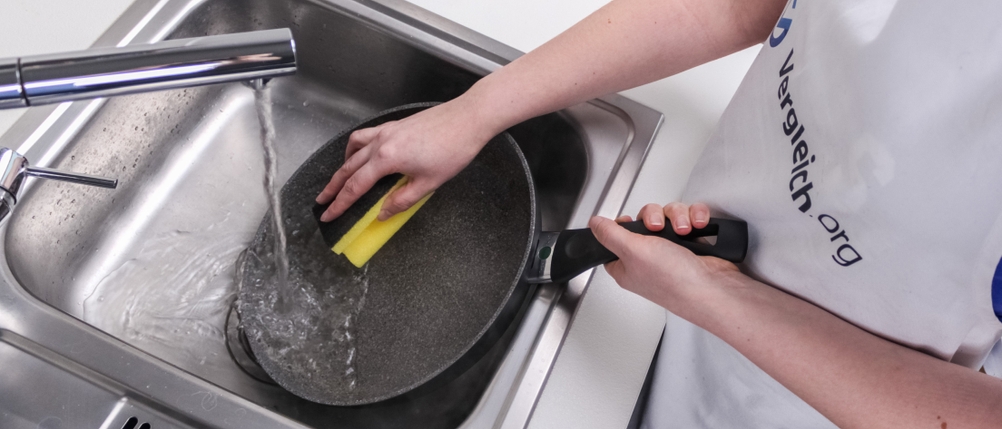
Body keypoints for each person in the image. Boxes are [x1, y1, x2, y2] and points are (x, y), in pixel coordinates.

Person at [316, 0, 1002, 427]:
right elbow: (737, 5)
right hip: (683, 279)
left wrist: (718, 295)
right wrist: (477, 110)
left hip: (815, 402)